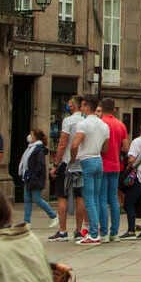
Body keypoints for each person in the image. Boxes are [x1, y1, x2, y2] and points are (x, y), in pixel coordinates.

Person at [70, 95, 110, 245]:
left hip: (87, 160)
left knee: (89, 198)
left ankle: (93, 233)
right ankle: (101, 230)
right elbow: (105, 148)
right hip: (99, 159)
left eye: (82, 105)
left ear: (86, 106)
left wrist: (73, 159)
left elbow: (74, 145)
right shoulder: (104, 125)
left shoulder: (84, 124)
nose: (81, 107)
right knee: (98, 197)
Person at [48, 96, 86, 241]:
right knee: (80, 196)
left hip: (67, 162)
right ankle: (78, 230)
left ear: (73, 106)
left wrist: (56, 164)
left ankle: (63, 231)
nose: (68, 105)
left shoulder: (68, 121)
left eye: (70, 103)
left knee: (61, 196)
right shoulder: (85, 121)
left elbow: (63, 143)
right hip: (82, 162)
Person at [99, 97, 128, 242]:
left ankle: (103, 233)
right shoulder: (120, 125)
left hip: (102, 164)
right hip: (116, 165)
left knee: (102, 199)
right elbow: (125, 147)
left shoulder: (101, 123)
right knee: (114, 199)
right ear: (114, 109)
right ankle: (114, 232)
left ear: (102, 108)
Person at [19, 128, 58, 227]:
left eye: (31, 135)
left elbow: (40, 165)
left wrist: (33, 175)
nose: (29, 137)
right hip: (28, 176)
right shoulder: (30, 148)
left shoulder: (38, 149)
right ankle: (27, 222)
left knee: (37, 199)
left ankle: (53, 216)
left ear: (36, 137)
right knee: (27, 199)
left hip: (35, 178)